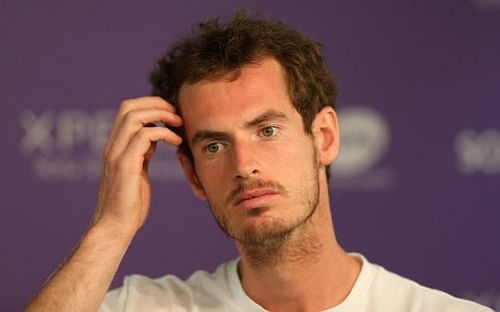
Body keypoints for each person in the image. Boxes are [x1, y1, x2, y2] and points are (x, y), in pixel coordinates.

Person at [26, 12, 492, 312]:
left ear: (324, 137)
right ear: (192, 174)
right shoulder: (147, 306)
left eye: (267, 131)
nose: (243, 164)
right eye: (213, 146)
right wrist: (111, 228)